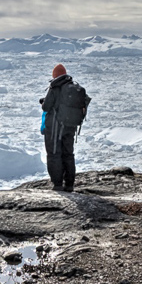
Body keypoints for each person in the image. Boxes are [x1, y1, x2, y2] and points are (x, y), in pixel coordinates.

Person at [40, 63, 89, 192]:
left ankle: (57, 184)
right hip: (70, 126)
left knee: (54, 154)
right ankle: (69, 184)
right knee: (68, 153)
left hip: (55, 126)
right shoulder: (73, 86)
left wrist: (43, 103)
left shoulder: (55, 86)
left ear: (55, 75)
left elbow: (46, 107)